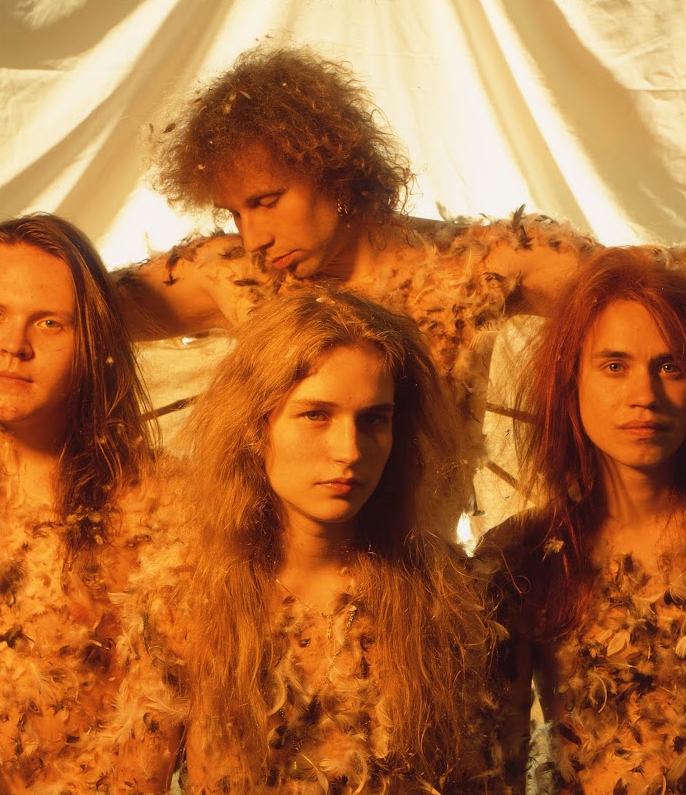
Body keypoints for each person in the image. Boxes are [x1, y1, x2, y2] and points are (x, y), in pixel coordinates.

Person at [115, 45, 596, 511]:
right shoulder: (232, 272)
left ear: (335, 171)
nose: (254, 236)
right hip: (269, 559)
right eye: (235, 213)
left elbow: (632, 288)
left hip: (420, 558)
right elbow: (80, 304)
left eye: (266, 202)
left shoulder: (475, 267)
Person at [118, 288, 510, 794]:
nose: (349, 451)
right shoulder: (184, 601)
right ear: (256, 424)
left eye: (373, 419)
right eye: (316, 415)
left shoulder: (446, 596)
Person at [483, 247, 686, 794]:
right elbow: (499, 766)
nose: (644, 396)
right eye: (615, 366)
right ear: (570, 381)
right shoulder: (524, 556)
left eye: (670, 367)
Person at [0, 214, 177, 793]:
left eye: (48, 323)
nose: (13, 346)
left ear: (92, 344)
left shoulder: (159, 517)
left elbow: (146, 746)